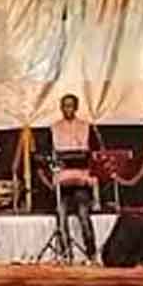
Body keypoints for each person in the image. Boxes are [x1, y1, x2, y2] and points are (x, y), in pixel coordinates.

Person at [49, 94, 101, 263]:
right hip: (62, 183)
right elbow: (49, 155)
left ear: (76, 107)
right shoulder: (54, 128)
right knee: (61, 214)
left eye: (71, 105)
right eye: (65, 106)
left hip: (81, 182)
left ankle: (91, 253)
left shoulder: (86, 127)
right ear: (61, 108)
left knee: (83, 215)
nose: (68, 109)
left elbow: (95, 155)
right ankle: (66, 254)